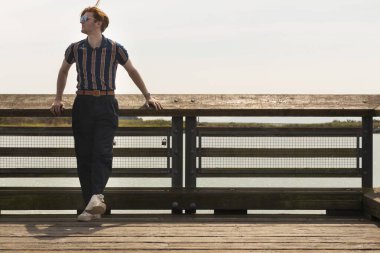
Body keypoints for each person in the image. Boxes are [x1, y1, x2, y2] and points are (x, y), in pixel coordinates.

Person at [50, 6, 163, 221]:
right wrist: (58, 98)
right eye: (81, 18)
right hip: (82, 103)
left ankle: (96, 198)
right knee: (84, 156)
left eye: (85, 18)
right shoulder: (75, 49)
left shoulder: (115, 48)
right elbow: (63, 71)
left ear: (98, 22)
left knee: (102, 152)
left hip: (106, 103)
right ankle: (90, 207)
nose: (81, 22)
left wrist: (148, 96)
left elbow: (132, 71)